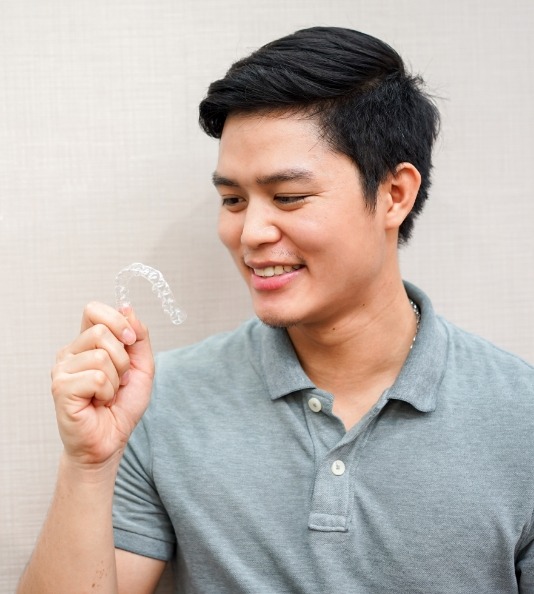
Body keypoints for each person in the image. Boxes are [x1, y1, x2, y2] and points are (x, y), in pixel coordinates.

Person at [17, 26, 534, 594]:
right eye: (233, 200)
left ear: (394, 194)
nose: (250, 233)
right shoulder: (158, 401)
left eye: (288, 197)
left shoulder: (521, 417)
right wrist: (87, 464)